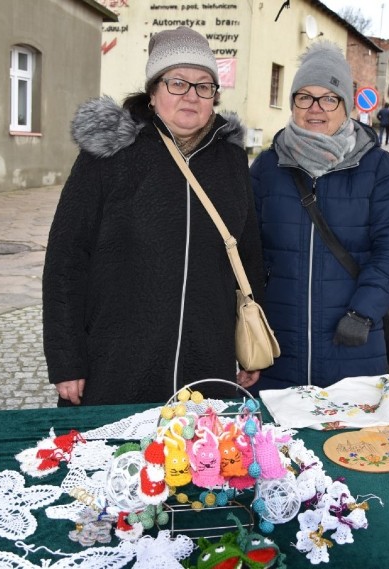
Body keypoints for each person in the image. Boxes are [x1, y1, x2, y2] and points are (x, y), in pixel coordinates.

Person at [42, 27, 264, 405]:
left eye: (204, 85)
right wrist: (66, 360)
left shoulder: (230, 161)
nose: (191, 96)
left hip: (206, 361)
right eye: (177, 82)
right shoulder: (110, 154)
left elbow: (250, 257)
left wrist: (250, 343)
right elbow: (66, 261)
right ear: (153, 90)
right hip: (117, 362)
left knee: (201, 459)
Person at [249, 42, 389, 391]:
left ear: (346, 105)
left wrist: (363, 313)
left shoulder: (376, 168)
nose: (315, 109)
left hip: (353, 343)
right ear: (293, 103)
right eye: (304, 97)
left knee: (348, 442)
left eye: (329, 98)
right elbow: (246, 251)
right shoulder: (267, 167)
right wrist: (250, 323)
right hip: (278, 349)